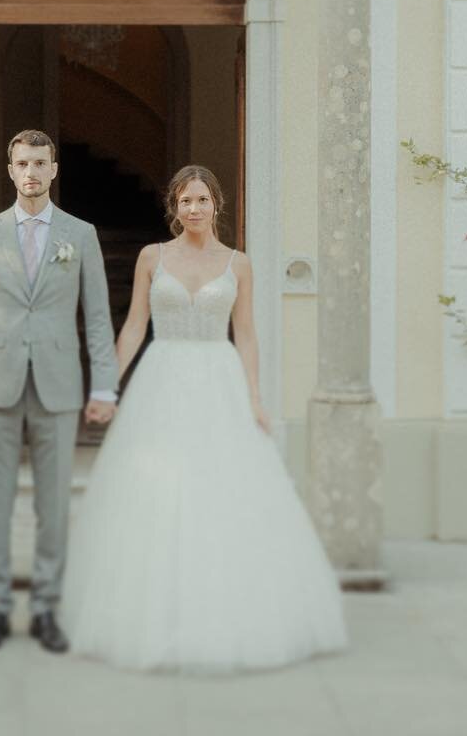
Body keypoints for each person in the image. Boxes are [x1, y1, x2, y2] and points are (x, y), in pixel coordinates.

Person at [59, 164, 348, 673]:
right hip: (161, 377)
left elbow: (248, 334)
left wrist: (255, 397)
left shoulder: (239, 264)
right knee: (156, 497)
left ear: (217, 204)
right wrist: (107, 382)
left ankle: (226, 615)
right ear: (175, 207)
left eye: (202, 200)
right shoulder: (153, 257)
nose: (194, 209)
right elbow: (133, 328)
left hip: (219, 380)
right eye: (185, 201)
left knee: (223, 494)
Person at [0, 128, 119, 655]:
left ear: (54, 170)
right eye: (22, 163)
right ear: (10, 170)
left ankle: (47, 606)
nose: (31, 172)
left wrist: (107, 386)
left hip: (58, 384)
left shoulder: (82, 235)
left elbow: (97, 317)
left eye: (40, 163)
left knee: (54, 503)